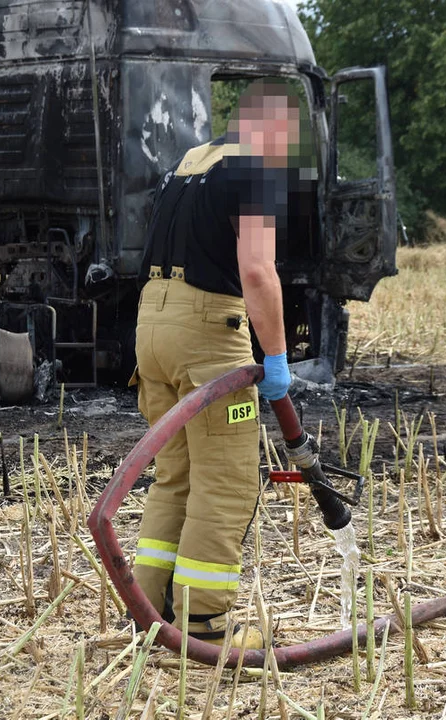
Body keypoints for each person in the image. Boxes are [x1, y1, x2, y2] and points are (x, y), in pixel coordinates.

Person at [129, 79, 302, 649]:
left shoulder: (189, 163)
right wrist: (275, 358)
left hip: (151, 326)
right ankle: (204, 627)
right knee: (224, 481)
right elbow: (256, 271)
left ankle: (146, 613)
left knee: (175, 476)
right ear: (271, 126)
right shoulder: (256, 171)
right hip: (206, 333)